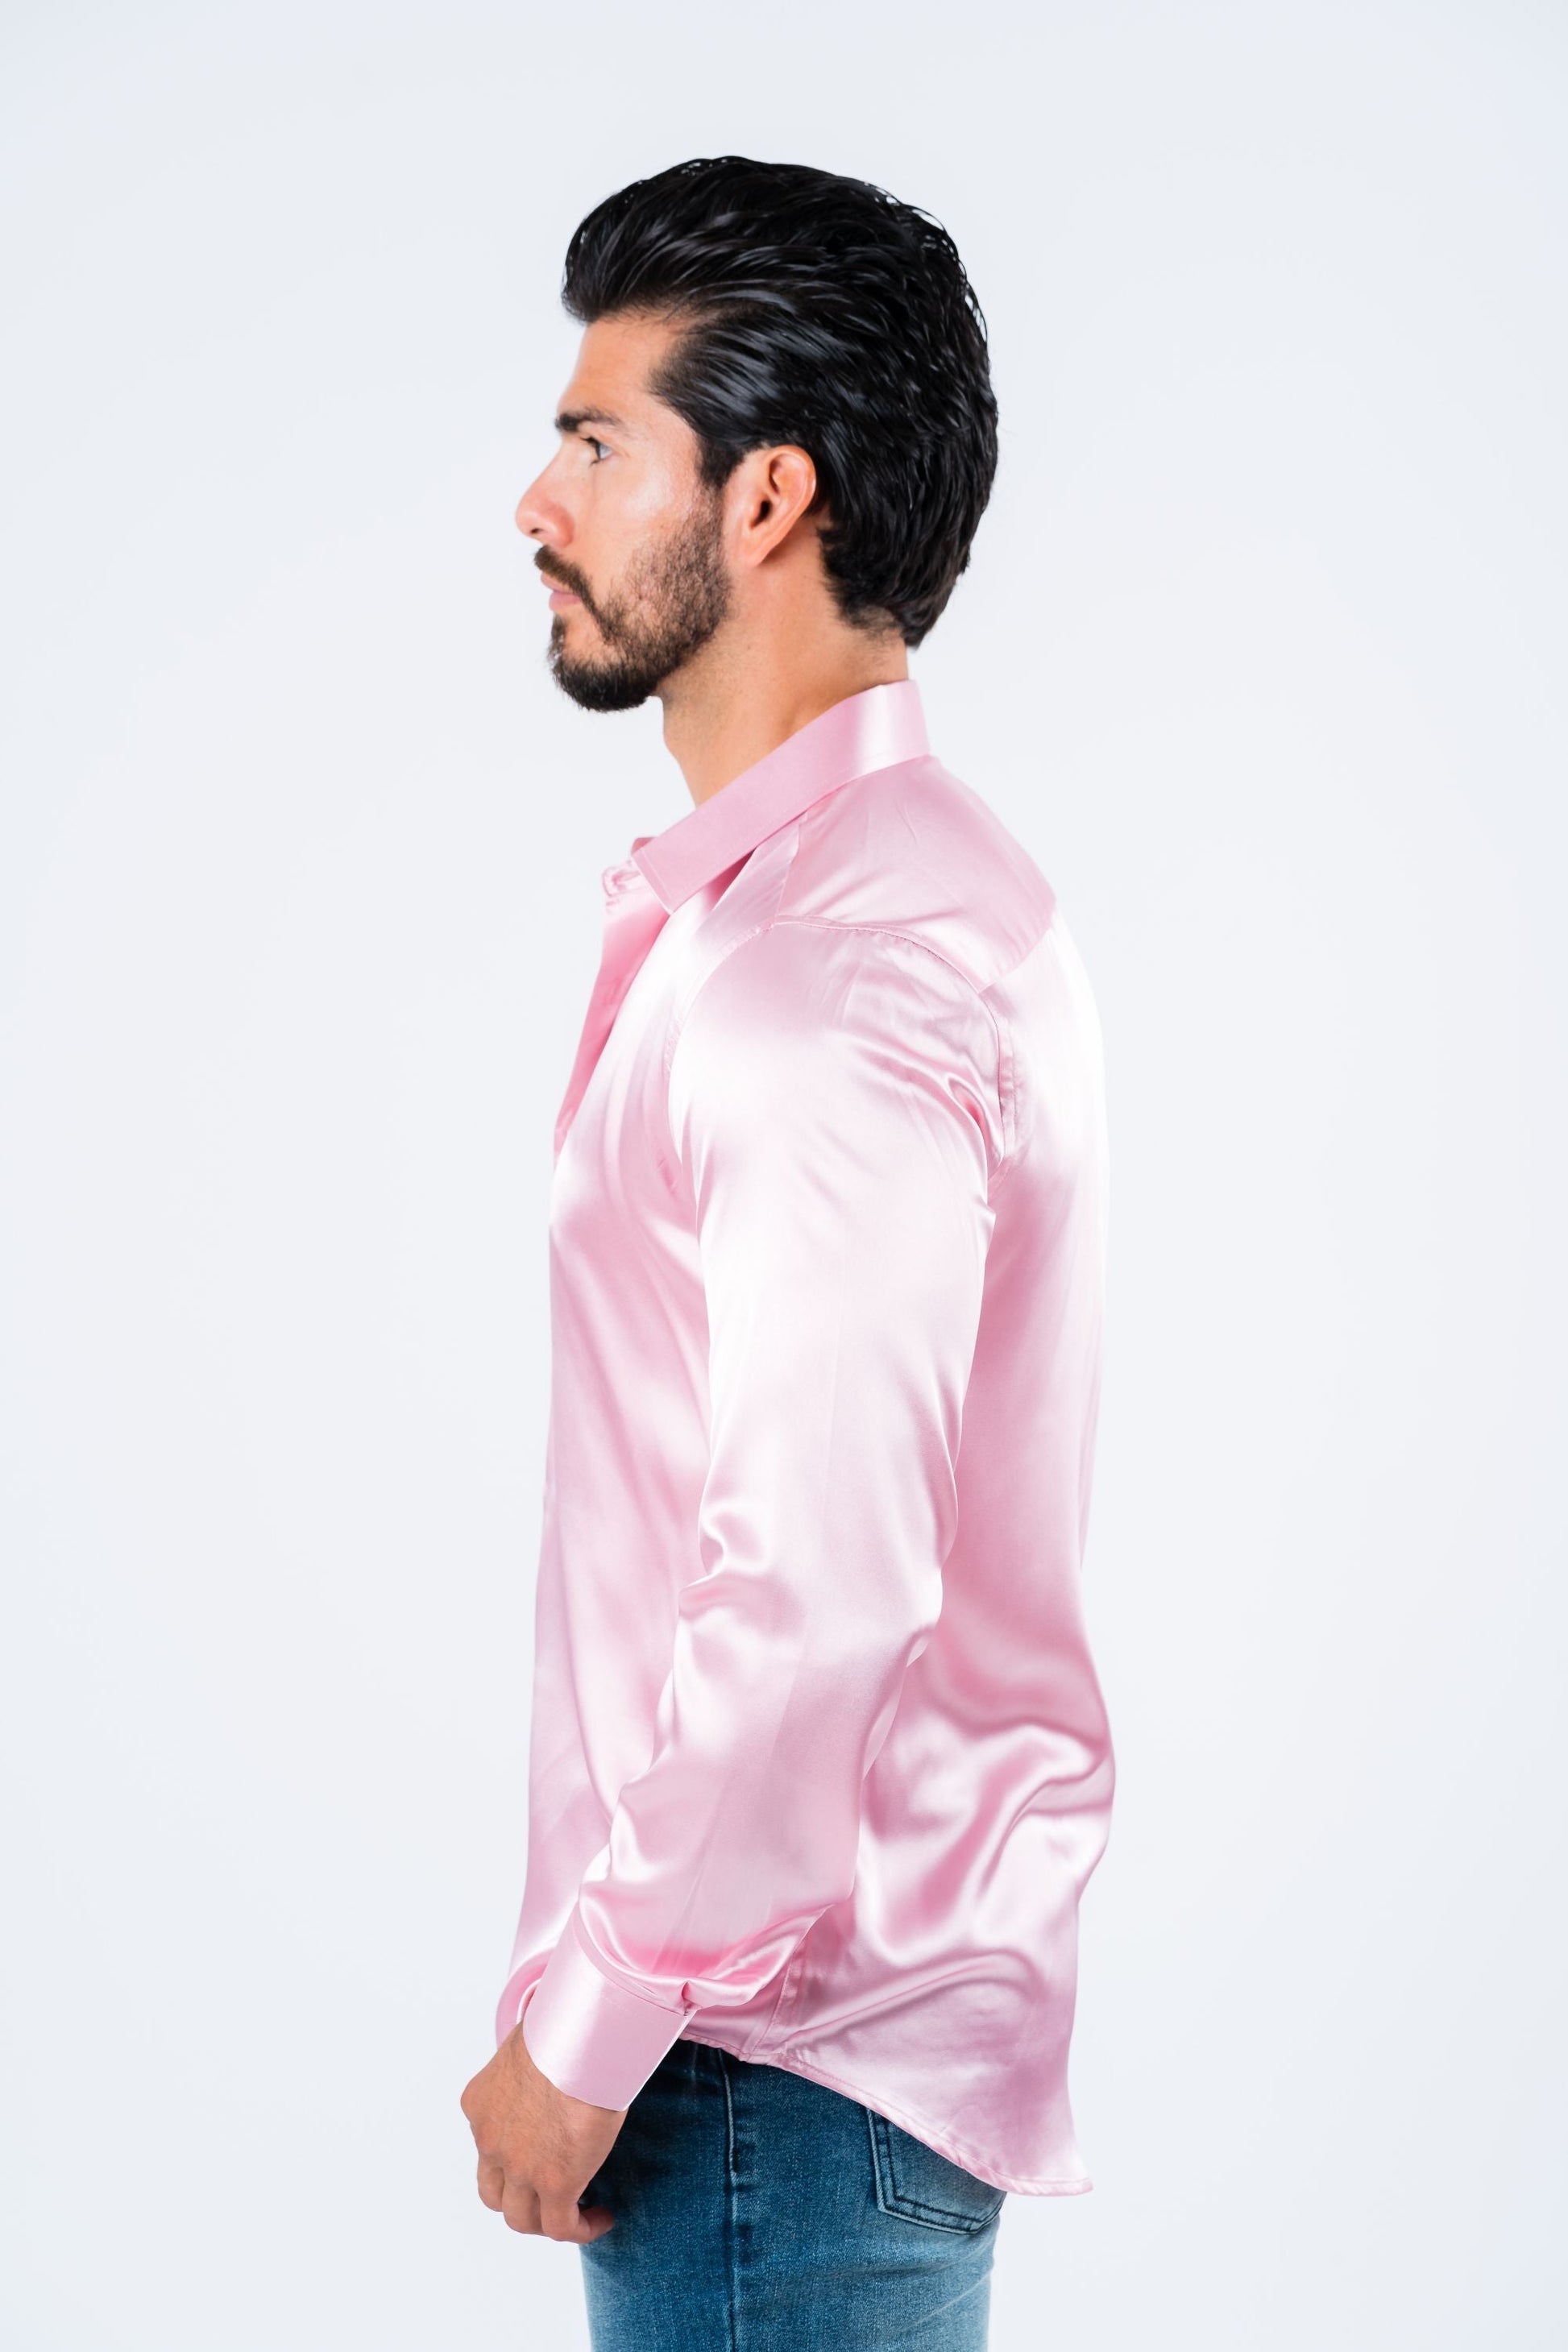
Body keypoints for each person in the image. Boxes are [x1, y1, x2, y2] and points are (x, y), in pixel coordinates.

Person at [459, 156, 1115, 2352]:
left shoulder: (823, 972)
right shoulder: (886, 895)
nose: (536, 504)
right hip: (803, 2076)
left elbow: (817, 1576)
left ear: (764, 500)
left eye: (595, 444)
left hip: (760, 2072)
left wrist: (592, 2020)